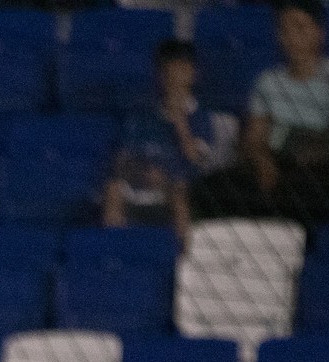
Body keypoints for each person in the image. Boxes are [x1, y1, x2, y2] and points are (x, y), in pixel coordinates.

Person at [210, 0, 329, 223]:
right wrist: (262, 160)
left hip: (320, 166)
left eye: (300, 28)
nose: (292, 38)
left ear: (319, 33)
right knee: (213, 187)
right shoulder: (268, 82)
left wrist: (322, 152)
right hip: (277, 159)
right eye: (285, 30)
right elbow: (255, 139)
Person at [102, 40, 238, 241]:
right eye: (169, 71)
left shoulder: (202, 119)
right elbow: (123, 160)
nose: (175, 78)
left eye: (182, 70)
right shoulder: (141, 118)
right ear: (160, 76)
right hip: (142, 185)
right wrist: (144, 173)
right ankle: (116, 253)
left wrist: (180, 121)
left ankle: (185, 256)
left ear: (194, 73)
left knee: (179, 193)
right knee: (113, 189)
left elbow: (195, 158)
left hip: (180, 189)